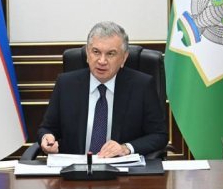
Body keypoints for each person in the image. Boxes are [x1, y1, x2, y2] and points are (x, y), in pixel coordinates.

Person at [37, 21, 167, 157]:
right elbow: (47, 128)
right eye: (96, 52)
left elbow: (159, 135)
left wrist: (125, 148)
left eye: (110, 54)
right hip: (75, 166)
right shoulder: (66, 84)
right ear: (88, 53)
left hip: (120, 168)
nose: (102, 61)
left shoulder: (142, 86)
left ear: (124, 58)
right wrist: (47, 138)